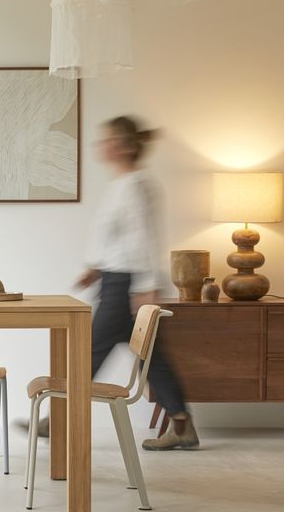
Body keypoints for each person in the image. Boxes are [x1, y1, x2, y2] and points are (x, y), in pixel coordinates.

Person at [35, 116, 198, 450]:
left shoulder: (136, 185)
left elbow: (144, 239)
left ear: (123, 145)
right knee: (151, 358)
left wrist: (145, 287)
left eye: (106, 139)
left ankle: (57, 419)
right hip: (117, 281)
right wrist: (96, 269)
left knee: (88, 351)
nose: (100, 145)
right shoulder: (122, 185)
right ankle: (182, 426)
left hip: (126, 288)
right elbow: (120, 241)